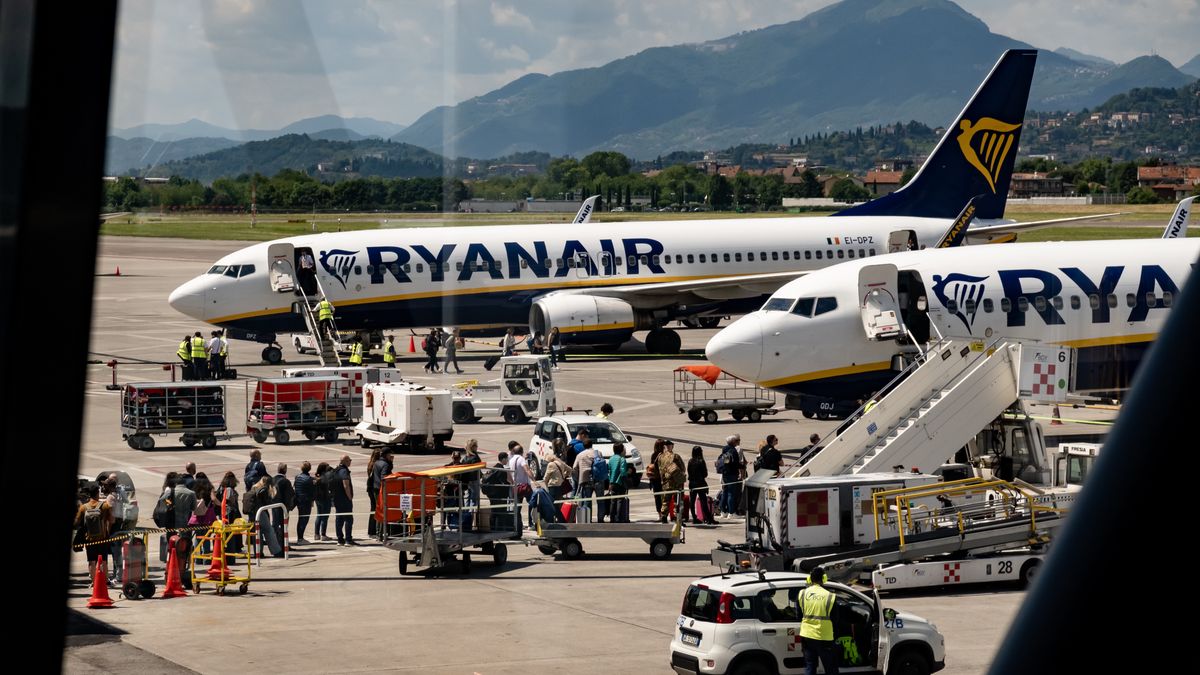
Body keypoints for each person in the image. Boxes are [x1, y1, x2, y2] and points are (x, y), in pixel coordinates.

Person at [799, 565, 840, 675]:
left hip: (806, 635)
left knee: (810, 666)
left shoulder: (802, 593)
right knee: (830, 668)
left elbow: (800, 615)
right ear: (824, 579)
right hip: (824, 637)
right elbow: (835, 620)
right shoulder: (830, 596)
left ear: (810, 579)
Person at [74, 484, 113, 583]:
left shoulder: (83, 507)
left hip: (89, 539)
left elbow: (76, 523)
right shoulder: (104, 506)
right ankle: (104, 581)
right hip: (102, 538)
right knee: (103, 560)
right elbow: (112, 520)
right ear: (97, 493)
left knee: (91, 561)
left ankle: (94, 582)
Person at [656, 440, 686, 523]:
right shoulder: (675, 456)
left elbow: (659, 470)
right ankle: (678, 519)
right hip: (676, 482)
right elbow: (683, 468)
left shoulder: (660, 457)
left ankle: (664, 517)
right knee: (678, 501)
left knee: (665, 501)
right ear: (672, 446)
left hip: (666, 482)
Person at [688, 446, 717, 525]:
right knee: (703, 501)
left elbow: (689, 472)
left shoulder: (690, 461)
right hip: (700, 483)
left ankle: (694, 517)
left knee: (692, 501)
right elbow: (705, 474)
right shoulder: (701, 461)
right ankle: (709, 518)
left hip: (692, 483)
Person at [368, 448, 393, 537]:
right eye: (390, 455)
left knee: (378, 510)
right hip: (382, 490)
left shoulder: (376, 463)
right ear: (386, 455)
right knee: (383, 511)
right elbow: (384, 477)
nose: (392, 457)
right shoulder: (385, 465)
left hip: (375, 489)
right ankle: (381, 533)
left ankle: (378, 532)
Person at [717, 435, 743, 518]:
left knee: (725, 492)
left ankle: (723, 511)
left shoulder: (724, 449)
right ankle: (731, 512)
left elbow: (725, 461)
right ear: (733, 442)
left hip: (725, 473)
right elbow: (735, 463)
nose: (737, 442)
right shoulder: (733, 450)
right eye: (736, 440)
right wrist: (742, 467)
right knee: (731, 493)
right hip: (732, 474)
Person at [333, 455, 355, 545]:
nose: (350, 461)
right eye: (349, 460)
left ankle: (340, 539)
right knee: (348, 519)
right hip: (344, 499)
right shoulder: (344, 471)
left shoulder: (336, 470)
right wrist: (349, 497)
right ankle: (348, 540)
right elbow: (346, 485)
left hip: (337, 498)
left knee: (339, 519)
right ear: (345, 461)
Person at [460, 441, 482, 532]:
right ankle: (472, 521)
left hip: (467, 482)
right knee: (474, 500)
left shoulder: (465, 458)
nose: (477, 447)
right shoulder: (475, 457)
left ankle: (466, 520)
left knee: (468, 500)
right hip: (474, 480)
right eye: (476, 446)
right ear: (473, 447)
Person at [607, 442, 631, 523]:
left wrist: (610, 483)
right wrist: (629, 472)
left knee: (613, 501)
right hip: (620, 482)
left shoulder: (611, 459)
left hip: (612, 483)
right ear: (621, 450)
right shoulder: (622, 459)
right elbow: (623, 472)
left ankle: (612, 518)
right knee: (620, 500)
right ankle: (619, 518)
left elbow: (609, 471)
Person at [273, 463, 296, 547]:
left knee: (276, 525)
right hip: (283, 507)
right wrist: (290, 506)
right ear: (285, 470)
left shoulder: (272, 480)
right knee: (283, 527)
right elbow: (290, 495)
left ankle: (277, 544)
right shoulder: (285, 481)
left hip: (274, 506)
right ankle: (284, 545)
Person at [294, 461, 315, 544]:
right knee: (304, 520)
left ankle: (300, 537)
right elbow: (312, 492)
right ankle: (300, 538)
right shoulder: (309, 479)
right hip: (306, 502)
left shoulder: (297, 477)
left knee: (300, 519)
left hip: (299, 501)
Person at [313, 462, 333, 542]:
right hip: (325, 499)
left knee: (319, 516)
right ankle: (323, 534)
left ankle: (316, 534)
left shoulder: (317, 477)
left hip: (318, 499)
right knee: (325, 517)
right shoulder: (325, 477)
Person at [646, 439, 664, 516]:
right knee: (664, 497)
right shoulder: (663, 455)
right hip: (661, 478)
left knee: (657, 497)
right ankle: (664, 513)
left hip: (654, 479)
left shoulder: (653, 455)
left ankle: (659, 513)